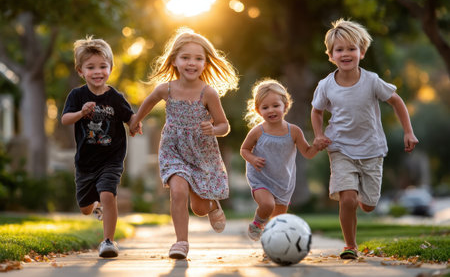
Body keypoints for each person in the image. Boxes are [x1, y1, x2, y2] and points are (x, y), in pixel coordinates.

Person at [311, 19, 419, 259]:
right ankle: (350, 245)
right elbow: (317, 111)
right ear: (331, 55)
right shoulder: (326, 85)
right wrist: (319, 135)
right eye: (339, 49)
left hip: (371, 149)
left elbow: (397, 101)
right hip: (340, 148)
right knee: (347, 198)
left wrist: (408, 131)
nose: (346, 53)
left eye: (351, 48)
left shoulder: (372, 81)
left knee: (368, 205)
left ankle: (360, 194)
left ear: (362, 52)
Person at [129, 28, 239, 259]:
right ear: (175, 61)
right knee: (178, 191)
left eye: (198, 58)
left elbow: (224, 125)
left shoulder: (208, 93)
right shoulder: (166, 89)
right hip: (173, 149)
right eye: (186, 57)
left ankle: (212, 206)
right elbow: (148, 103)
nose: (192, 63)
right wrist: (136, 121)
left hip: (201, 153)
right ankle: (181, 243)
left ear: (205, 63)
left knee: (198, 209)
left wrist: (214, 129)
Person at [61, 36, 142, 258]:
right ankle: (96, 207)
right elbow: (65, 119)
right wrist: (81, 113)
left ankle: (108, 241)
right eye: (91, 67)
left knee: (108, 193)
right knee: (85, 208)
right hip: (86, 162)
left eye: (102, 66)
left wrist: (135, 125)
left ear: (111, 68)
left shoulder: (115, 97)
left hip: (111, 159)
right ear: (80, 71)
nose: (97, 72)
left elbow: (130, 117)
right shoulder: (77, 95)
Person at [240, 79, 325, 241]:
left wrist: (317, 146)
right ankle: (257, 223)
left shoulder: (294, 131)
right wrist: (253, 158)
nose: (271, 110)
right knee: (267, 205)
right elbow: (244, 149)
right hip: (261, 178)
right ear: (258, 111)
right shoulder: (258, 132)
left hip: (283, 181)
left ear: (285, 106)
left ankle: (271, 246)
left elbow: (307, 153)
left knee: (277, 222)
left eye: (275, 105)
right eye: (265, 107)